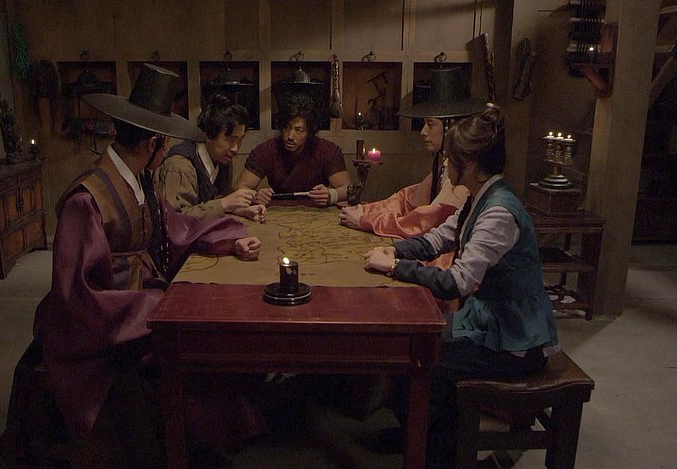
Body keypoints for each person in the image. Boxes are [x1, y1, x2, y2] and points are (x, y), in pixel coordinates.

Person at [32, 64, 265, 466]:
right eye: (165, 142)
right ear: (153, 143)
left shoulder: (141, 181)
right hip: (101, 327)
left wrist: (228, 240)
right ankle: (180, 444)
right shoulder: (87, 200)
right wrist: (153, 310)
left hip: (141, 301)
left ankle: (207, 436)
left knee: (217, 329)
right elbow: (78, 297)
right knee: (196, 347)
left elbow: (177, 226)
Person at [363, 104, 559, 469]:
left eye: (450, 158)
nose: (445, 164)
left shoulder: (499, 211)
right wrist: (395, 250)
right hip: (490, 323)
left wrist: (395, 267)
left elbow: (457, 282)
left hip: (515, 340)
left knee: (427, 364)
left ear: (467, 163)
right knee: (406, 347)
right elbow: (439, 237)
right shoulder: (479, 198)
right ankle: (417, 436)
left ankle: (440, 456)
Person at [340, 65, 485, 239]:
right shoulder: (447, 166)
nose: (423, 132)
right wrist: (366, 210)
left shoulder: (464, 172)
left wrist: (365, 220)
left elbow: (426, 221)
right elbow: (407, 199)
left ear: (451, 126)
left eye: (430, 124)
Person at [157, 93, 266, 222]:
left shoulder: (223, 161)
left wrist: (241, 210)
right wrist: (224, 204)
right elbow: (175, 219)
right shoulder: (179, 166)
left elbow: (215, 204)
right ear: (208, 134)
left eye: (240, 140)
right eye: (230, 139)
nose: (235, 148)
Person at [236, 93, 351, 207]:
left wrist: (331, 195)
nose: (290, 136)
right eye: (287, 127)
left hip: (317, 210)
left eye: (299, 130)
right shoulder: (267, 150)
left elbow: (347, 189)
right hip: (278, 211)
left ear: (309, 132)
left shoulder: (326, 151)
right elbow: (240, 187)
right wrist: (255, 196)